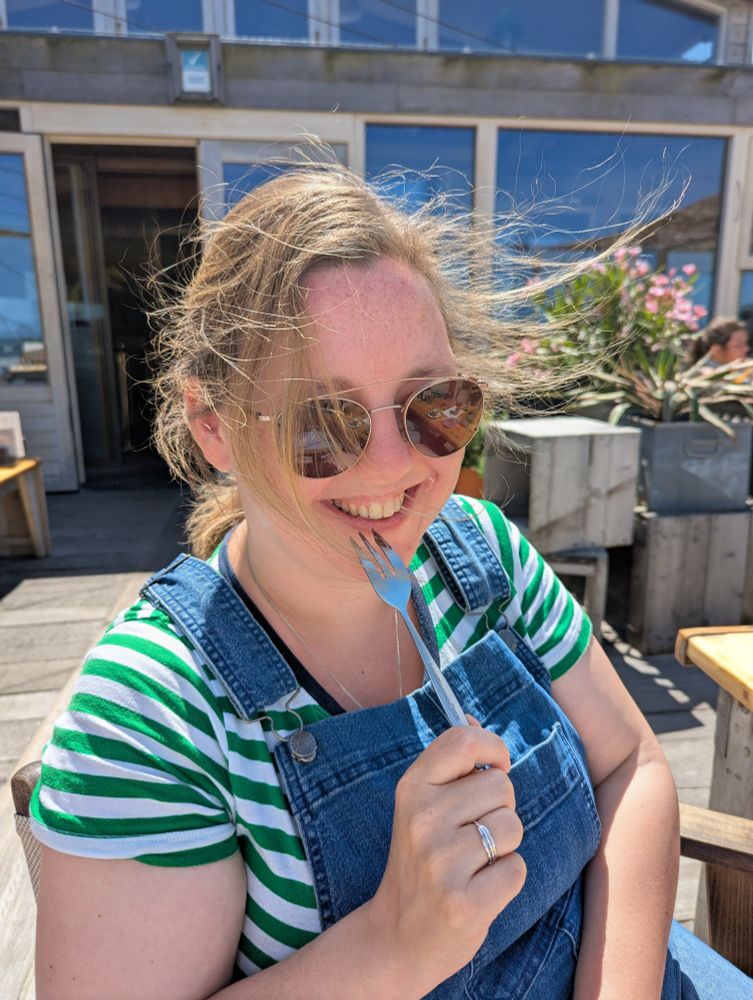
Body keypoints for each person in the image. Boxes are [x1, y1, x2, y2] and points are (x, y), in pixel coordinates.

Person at [31, 162, 751, 999]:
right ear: (213, 427)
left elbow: (631, 761)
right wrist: (396, 944)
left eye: (433, 405)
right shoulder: (152, 709)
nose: (392, 465)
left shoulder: (481, 556)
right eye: (319, 422)